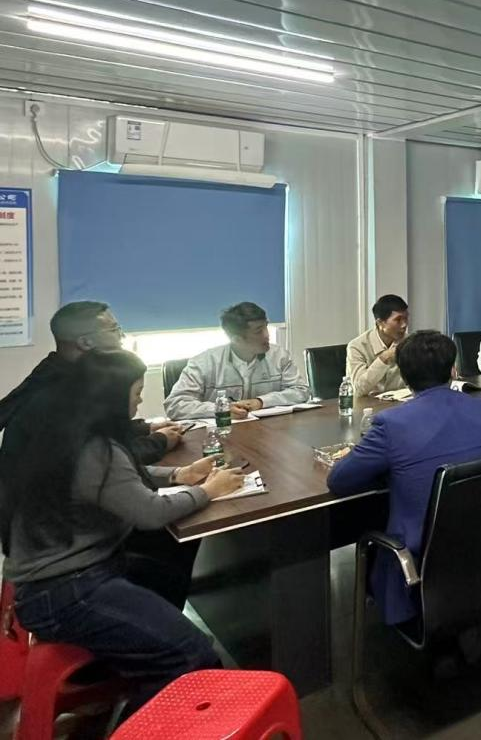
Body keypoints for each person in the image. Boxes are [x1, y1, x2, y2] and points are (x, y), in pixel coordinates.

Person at [0, 350, 244, 719]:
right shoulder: (95, 449)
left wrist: (178, 475)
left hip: (52, 581)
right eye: (136, 393)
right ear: (112, 397)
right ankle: (138, 722)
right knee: (192, 654)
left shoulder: (66, 433)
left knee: (164, 575)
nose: (139, 402)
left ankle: (140, 653)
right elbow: (150, 513)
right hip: (67, 590)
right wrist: (208, 490)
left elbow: (116, 477)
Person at [327, 331, 481, 626]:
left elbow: (339, 481)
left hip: (422, 556)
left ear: (404, 377)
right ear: (453, 370)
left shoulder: (392, 424)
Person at [0, 301, 177, 465]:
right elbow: (102, 460)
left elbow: (98, 429)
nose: (122, 337)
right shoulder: (59, 393)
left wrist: (146, 428)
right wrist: (159, 441)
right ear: (85, 342)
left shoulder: (59, 369)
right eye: (114, 330)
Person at [164, 302, 310, 420]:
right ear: (236, 339)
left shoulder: (279, 356)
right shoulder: (204, 363)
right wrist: (221, 409)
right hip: (221, 433)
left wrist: (261, 402)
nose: (267, 335)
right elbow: (175, 404)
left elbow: (301, 391)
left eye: (266, 326)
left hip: (268, 432)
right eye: (258, 331)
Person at [346, 294, 409, 396]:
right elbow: (359, 389)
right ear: (380, 323)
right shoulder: (357, 346)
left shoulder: (410, 342)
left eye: (406, 318)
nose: (404, 325)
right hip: (368, 404)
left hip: (401, 402)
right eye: (398, 320)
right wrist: (384, 358)